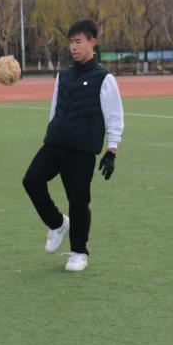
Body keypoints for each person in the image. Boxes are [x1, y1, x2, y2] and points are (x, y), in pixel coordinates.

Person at [22, 19, 123, 272]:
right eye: (70, 42)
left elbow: (114, 116)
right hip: (55, 143)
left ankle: (79, 252)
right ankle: (58, 224)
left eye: (78, 42)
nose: (73, 47)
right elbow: (55, 108)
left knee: (78, 201)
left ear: (92, 42)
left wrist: (111, 150)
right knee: (31, 181)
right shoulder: (63, 75)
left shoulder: (104, 78)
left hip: (82, 150)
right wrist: (52, 131)